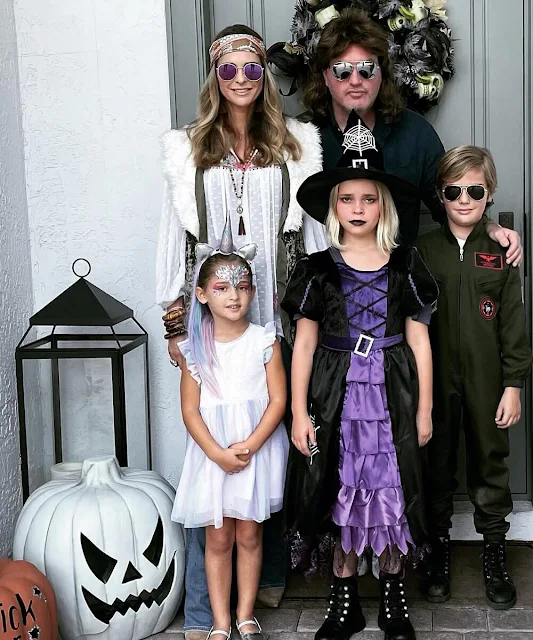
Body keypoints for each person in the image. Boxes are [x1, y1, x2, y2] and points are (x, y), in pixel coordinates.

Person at [156, 23, 326, 640]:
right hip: (210, 324)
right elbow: (174, 241)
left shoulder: (294, 148)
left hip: (270, 319)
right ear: (214, 76)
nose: (242, 79)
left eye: (252, 68)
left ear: (264, 76)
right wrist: (177, 326)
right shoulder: (189, 151)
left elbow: (313, 244)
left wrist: (310, 320)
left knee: (266, 447)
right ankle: (209, 616)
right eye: (229, 68)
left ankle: (261, 595)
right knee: (212, 459)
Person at [281, 112, 438, 640]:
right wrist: (299, 411)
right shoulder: (317, 268)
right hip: (335, 394)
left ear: (383, 206)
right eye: (347, 199)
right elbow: (303, 344)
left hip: (392, 392)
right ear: (334, 206)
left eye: (369, 199)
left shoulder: (404, 264)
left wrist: (424, 408)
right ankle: (343, 600)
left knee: (389, 487)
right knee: (342, 486)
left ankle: (393, 599)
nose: (358, 209)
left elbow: (419, 338)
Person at [299, 7, 522, 261]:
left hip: (399, 282)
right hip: (325, 282)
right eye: (342, 70)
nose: (355, 80)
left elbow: (450, 202)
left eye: (366, 69)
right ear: (326, 76)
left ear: (381, 73)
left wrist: (490, 228)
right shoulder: (302, 137)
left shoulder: (415, 132)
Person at [415, 146, 532, 610]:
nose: (465, 199)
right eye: (453, 190)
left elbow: (512, 323)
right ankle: (438, 550)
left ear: (490, 194)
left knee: (490, 460)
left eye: (475, 190)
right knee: (436, 464)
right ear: (440, 196)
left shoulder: (501, 252)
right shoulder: (423, 252)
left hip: (487, 380)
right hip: (435, 380)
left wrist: (514, 383)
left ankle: (495, 553)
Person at [172, 222, 289, 640]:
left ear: (253, 291)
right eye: (221, 287)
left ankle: (245, 615)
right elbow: (190, 412)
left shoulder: (264, 340)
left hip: (255, 449)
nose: (234, 295)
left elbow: (278, 400)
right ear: (202, 295)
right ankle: (219, 622)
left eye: (242, 286)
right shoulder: (193, 349)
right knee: (218, 540)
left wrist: (252, 444)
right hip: (213, 456)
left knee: (250, 535)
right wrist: (219, 454)